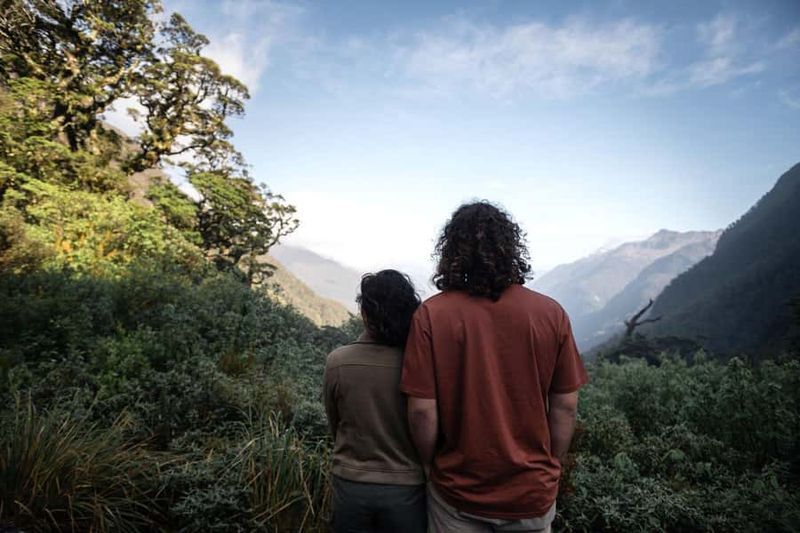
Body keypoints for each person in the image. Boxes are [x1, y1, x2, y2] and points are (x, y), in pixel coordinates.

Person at [401, 201, 589, 533]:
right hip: (531, 494)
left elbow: (421, 411)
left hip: (457, 494)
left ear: (451, 250)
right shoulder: (551, 314)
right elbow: (566, 406)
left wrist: (429, 465)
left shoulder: (431, 315)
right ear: (510, 247)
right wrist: (552, 465)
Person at [324, 270, 427, 533]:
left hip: (351, 485)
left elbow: (335, 424)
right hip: (406, 490)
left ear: (365, 312)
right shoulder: (418, 364)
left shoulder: (338, 362)